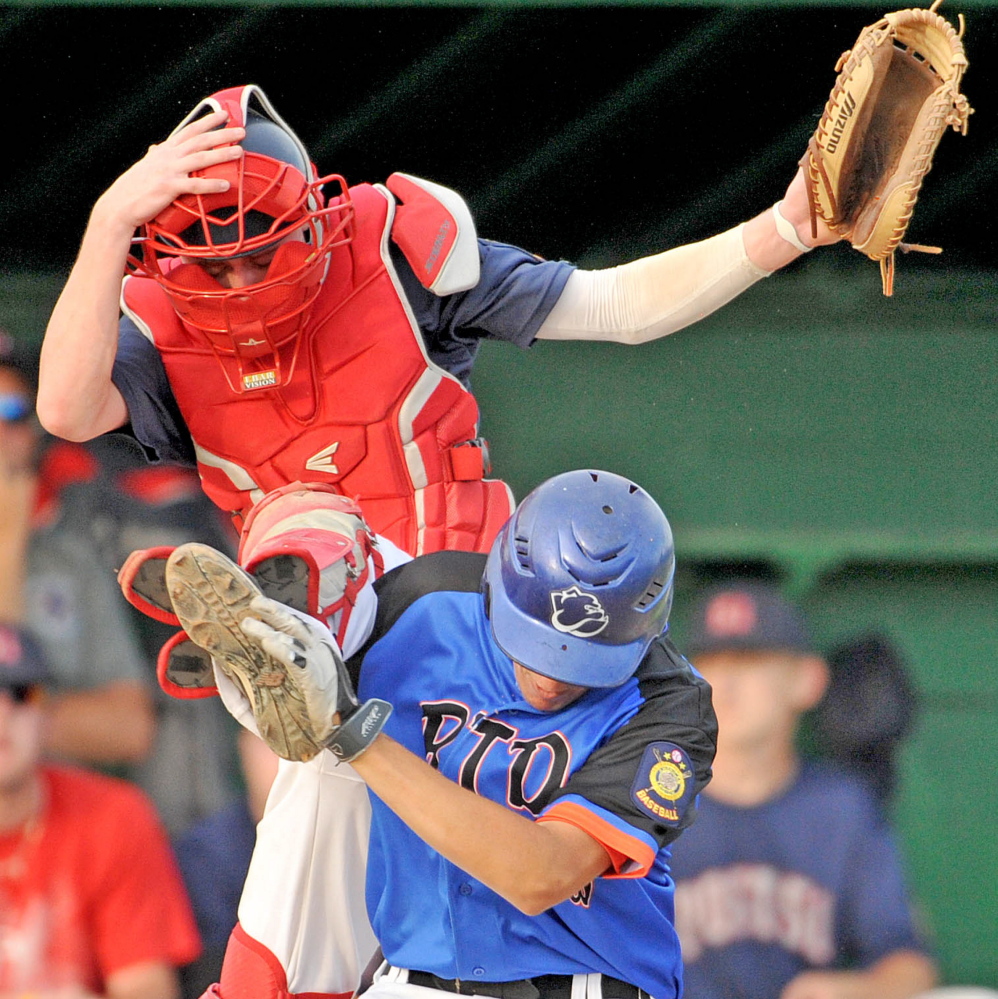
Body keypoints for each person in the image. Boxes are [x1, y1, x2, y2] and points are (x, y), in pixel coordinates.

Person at [36, 83, 839, 600]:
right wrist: (108, 221)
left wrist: (783, 231)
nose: (243, 284)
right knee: (299, 538)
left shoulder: (393, 256)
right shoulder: (156, 321)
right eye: (219, 268)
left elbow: (618, 305)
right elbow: (67, 411)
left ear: (311, 220)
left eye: (261, 253)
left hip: (463, 614)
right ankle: (271, 642)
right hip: (316, 680)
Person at [159, 469, 717, 999]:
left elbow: (539, 875)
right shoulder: (421, 604)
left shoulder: (669, 708)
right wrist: (272, 628)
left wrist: (354, 733)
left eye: (585, 663)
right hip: (413, 978)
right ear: (497, 583)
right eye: (533, 642)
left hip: (585, 981)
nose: (551, 676)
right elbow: (295, 693)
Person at [667, 580, 938, 999]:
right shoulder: (649, 800)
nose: (727, 683)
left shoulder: (839, 807)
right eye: (711, 663)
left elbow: (908, 962)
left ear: (808, 680)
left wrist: (852, 990)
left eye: (750, 661)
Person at [0, 620, 201, 995]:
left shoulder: (113, 816)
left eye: (21, 692)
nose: (3, 713)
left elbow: (148, 989)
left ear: (48, 712)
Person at [0, 333, 156, 769]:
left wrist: (9, 546)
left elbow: (130, 728)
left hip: (61, 816)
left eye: (11, 413)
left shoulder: (69, 557)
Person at [176, 729, 279, 995]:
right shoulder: (202, 854)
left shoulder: (365, 838)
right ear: (243, 748)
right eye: (272, 740)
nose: (290, 760)